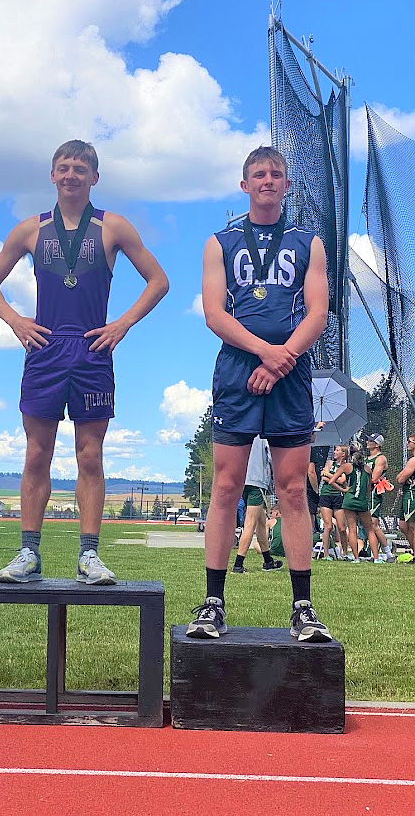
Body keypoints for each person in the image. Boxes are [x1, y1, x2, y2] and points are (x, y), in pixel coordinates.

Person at [0, 140, 168, 584]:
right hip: (44, 348)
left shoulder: (113, 226)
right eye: (63, 168)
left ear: (94, 178)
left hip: (92, 349)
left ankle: (88, 555)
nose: (71, 175)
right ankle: (28, 554)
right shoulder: (30, 230)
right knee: (36, 453)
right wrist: (15, 321)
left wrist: (121, 324)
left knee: (90, 455)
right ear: (52, 175)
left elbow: (158, 281)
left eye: (80, 169)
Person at [187, 145, 332, 643]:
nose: (267, 181)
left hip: (290, 375)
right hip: (237, 371)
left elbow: (317, 312)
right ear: (243, 184)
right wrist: (265, 353)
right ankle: (213, 602)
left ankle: (303, 607)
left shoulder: (308, 242)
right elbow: (214, 313)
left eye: (275, 174)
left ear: (287, 185)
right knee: (226, 487)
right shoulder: (220, 242)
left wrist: (282, 358)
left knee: (293, 490)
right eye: (258, 174)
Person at [231, 436, 283, 573]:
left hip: (243, 480)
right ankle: (238, 564)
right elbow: (272, 457)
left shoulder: (244, 433)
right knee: (250, 524)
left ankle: (268, 561)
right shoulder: (262, 436)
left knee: (261, 522)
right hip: (256, 481)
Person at [328, 447, 381, 563]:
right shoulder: (367, 469)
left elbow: (331, 481)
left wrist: (344, 490)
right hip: (362, 502)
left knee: (352, 530)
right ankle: (376, 558)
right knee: (370, 530)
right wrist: (365, 497)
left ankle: (356, 558)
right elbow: (369, 487)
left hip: (349, 501)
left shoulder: (346, 467)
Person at [365, 433, 396, 562]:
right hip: (365, 492)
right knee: (368, 524)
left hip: (373, 493)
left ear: (377, 444)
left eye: (371, 440)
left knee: (373, 524)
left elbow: (374, 478)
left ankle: (388, 553)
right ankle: (372, 552)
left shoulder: (380, 458)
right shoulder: (367, 458)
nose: (367, 442)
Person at [318, 445, 350, 560]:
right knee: (328, 526)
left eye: (337, 450)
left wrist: (329, 476)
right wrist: (334, 478)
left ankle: (345, 553)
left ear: (343, 454)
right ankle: (326, 554)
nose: (335, 452)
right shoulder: (330, 463)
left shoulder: (346, 466)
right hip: (326, 496)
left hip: (338, 497)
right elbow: (323, 476)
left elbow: (342, 480)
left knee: (342, 528)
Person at [395, 434, 415, 555]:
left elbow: (400, 478)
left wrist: (402, 476)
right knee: (403, 525)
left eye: (410, 441)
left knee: (412, 526)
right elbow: (399, 477)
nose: (407, 443)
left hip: (412, 494)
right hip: (407, 493)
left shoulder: (413, 460)